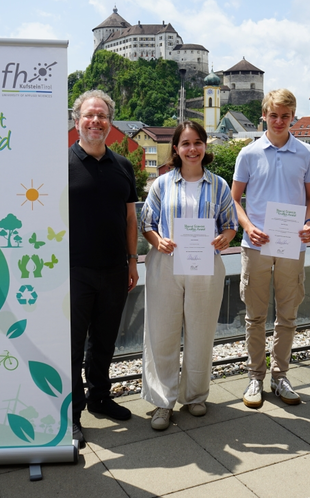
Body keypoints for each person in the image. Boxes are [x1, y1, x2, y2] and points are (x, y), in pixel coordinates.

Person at [140, 121, 238, 430]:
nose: (192, 148)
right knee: (162, 332)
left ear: (205, 146)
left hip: (204, 265)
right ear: (176, 149)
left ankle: (195, 395)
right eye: (185, 143)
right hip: (166, 263)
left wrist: (226, 237)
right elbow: (148, 223)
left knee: (201, 330)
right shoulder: (162, 184)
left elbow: (230, 222)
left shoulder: (219, 185)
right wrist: (158, 240)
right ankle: (162, 401)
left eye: (197, 142)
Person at [232, 89, 310, 408]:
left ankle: (280, 375)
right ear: (264, 117)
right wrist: (248, 226)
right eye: (274, 115)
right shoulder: (249, 154)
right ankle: (255, 376)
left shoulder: (306, 153)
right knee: (254, 317)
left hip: (292, 244)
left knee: (288, 315)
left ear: (293, 117)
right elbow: (234, 199)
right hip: (255, 245)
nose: (279, 121)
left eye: (285, 116)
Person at [68, 90, 139, 448]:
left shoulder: (123, 166)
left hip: (113, 268)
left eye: (102, 116)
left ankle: (99, 397)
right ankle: (72, 414)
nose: (95, 121)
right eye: (89, 116)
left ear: (109, 123)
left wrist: (131, 261)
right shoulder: (60, 166)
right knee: (72, 345)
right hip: (73, 270)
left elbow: (130, 219)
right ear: (77, 120)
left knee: (105, 341)